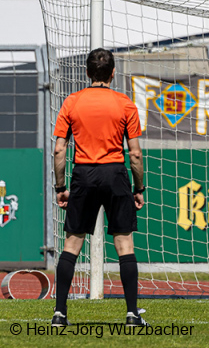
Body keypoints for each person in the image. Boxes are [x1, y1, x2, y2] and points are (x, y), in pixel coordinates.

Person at [51, 48, 147, 327]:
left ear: (87, 72)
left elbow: (59, 150)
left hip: (83, 174)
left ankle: (59, 313)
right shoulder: (125, 103)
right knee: (124, 244)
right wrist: (139, 188)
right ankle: (132, 314)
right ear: (113, 73)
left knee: (72, 244)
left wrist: (60, 186)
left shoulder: (72, 102)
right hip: (115, 173)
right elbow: (135, 154)